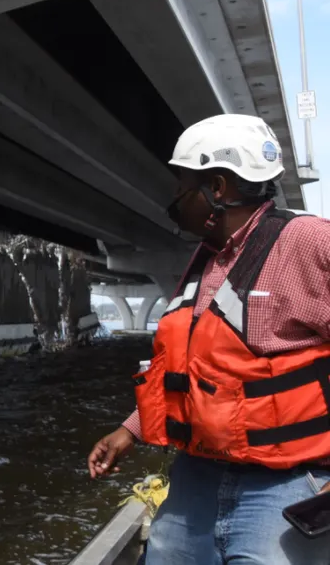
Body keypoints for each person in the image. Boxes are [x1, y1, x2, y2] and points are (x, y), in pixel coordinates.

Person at [86, 114, 330, 564]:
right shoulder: (207, 261)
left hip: (285, 484)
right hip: (198, 476)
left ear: (217, 188)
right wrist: (130, 430)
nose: (175, 200)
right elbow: (200, 370)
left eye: (183, 186)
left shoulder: (308, 242)